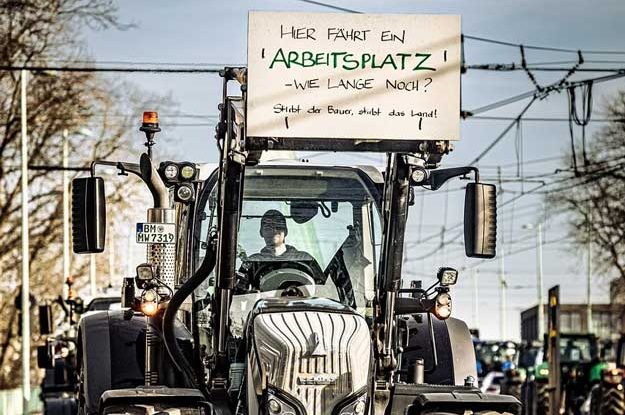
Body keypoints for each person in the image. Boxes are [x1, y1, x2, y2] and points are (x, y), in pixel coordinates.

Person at [236, 210, 320, 292]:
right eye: (268, 227)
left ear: (286, 231)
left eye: (278, 226)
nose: (273, 230)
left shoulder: (305, 259)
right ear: (261, 232)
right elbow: (238, 293)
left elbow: (324, 289)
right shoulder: (253, 263)